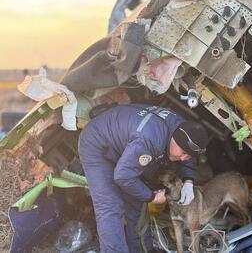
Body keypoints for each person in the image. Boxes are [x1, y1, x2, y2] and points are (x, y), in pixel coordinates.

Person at [78, 104, 208, 253]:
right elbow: (123, 176)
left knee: (135, 203)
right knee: (110, 207)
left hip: (126, 142)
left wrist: (189, 180)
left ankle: (141, 250)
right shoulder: (150, 140)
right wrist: (151, 196)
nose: (183, 158)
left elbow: (188, 153)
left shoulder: (183, 128)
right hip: (98, 144)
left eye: (188, 156)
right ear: (176, 139)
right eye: (183, 152)